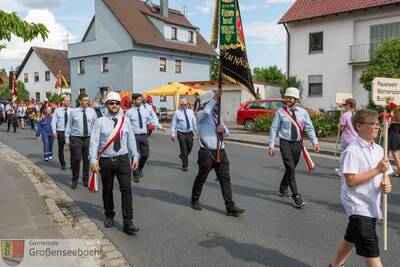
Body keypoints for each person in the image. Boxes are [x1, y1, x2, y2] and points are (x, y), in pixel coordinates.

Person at [329, 109, 392, 267]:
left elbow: (386, 175)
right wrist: (377, 170)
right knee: (372, 252)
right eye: (373, 124)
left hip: (371, 204)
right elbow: (350, 180)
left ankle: (335, 265)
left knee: (350, 238)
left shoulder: (379, 150)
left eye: (378, 124)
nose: (377, 127)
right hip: (358, 206)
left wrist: (387, 184)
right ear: (359, 126)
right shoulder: (352, 151)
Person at [89, 92, 140, 235]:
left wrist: (135, 156)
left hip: (123, 159)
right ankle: (109, 214)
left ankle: (128, 222)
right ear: (106, 105)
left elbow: (131, 140)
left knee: (127, 190)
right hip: (106, 160)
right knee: (107, 189)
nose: (114, 106)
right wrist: (93, 159)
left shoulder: (125, 121)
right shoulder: (100, 122)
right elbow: (94, 141)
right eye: (111, 103)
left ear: (120, 105)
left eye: (117, 103)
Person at [190, 90, 245, 217]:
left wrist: (221, 131)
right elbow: (207, 111)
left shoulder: (217, 116)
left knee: (225, 179)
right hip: (207, 153)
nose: (216, 105)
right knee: (201, 177)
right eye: (213, 102)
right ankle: (194, 199)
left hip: (221, 151)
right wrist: (215, 97)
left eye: (216, 103)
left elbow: (227, 133)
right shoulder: (200, 115)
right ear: (207, 103)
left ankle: (230, 207)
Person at [268, 87, 320, 208]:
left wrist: (315, 142)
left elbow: (309, 128)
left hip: (297, 143)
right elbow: (274, 129)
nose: (288, 99)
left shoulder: (303, 112)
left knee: (291, 168)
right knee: (290, 168)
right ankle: (296, 195)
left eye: (290, 97)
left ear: (296, 99)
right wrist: (271, 145)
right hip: (285, 142)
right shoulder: (280, 112)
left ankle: (282, 187)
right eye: (286, 97)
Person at [125, 93, 166, 183]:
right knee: (134, 155)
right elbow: (125, 126)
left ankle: (139, 168)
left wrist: (159, 126)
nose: (141, 101)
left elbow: (151, 119)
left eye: (141, 99)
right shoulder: (129, 113)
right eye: (139, 100)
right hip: (134, 137)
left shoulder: (144, 111)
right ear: (134, 101)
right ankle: (136, 175)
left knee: (145, 155)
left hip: (144, 136)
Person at [65, 94, 97, 189]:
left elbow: (96, 126)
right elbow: (69, 125)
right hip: (76, 138)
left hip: (88, 138)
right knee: (77, 159)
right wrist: (67, 138)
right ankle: (75, 179)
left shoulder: (92, 112)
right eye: (85, 100)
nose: (87, 102)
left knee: (87, 160)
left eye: (88, 100)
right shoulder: (74, 112)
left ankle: (85, 179)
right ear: (80, 101)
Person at [170, 98, 197, 171]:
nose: (187, 105)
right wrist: (172, 133)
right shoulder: (177, 113)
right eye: (185, 104)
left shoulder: (191, 112)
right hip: (181, 133)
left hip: (189, 132)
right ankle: (185, 165)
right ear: (181, 105)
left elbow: (194, 121)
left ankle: (182, 156)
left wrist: (196, 131)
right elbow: (174, 123)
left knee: (190, 147)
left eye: (187, 104)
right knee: (184, 148)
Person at [335, 98, 358, 176]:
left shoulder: (345, 115)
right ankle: (351, 171)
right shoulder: (357, 114)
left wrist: (339, 124)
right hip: (356, 138)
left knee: (344, 156)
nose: (344, 106)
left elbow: (341, 128)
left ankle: (342, 171)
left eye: (345, 105)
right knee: (353, 156)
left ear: (349, 105)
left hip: (347, 138)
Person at [51, 96, 72, 170]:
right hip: (61, 131)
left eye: (69, 101)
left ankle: (72, 163)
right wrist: (54, 132)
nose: (69, 102)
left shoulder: (72, 110)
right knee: (61, 148)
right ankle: (63, 163)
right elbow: (53, 122)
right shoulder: (57, 110)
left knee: (73, 148)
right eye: (67, 101)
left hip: (70, 132)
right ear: (63, 102)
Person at [388, 108, 400, 177]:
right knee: (396, 155)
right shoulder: (398, 121)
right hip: (396, 137)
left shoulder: (392, 119)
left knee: (394, 155)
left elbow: (387, 125)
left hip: (391, 137)